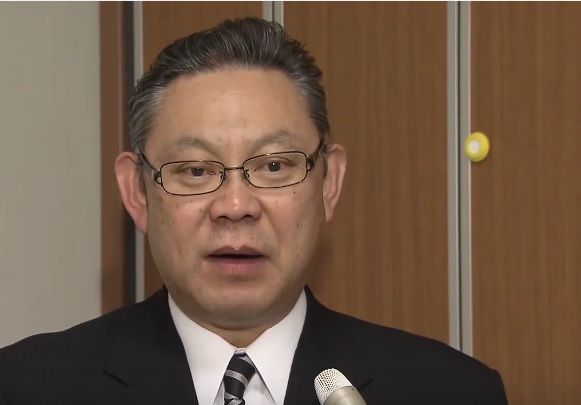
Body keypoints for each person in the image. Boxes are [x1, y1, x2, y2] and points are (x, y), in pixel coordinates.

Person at [0, 17, 508, 405]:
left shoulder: (451, 390)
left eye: (274, 166)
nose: (236, 206)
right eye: (195, 170)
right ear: (137, 192)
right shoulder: (26, 387)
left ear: (329, 183)